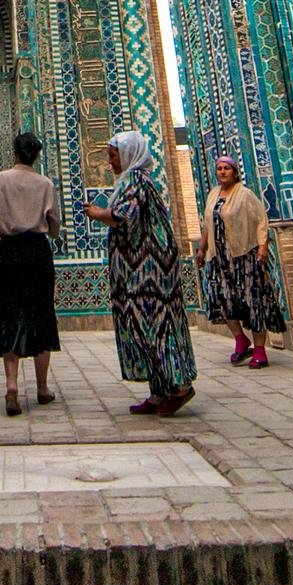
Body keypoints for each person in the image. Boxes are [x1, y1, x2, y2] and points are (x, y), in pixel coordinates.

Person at [85, 129, 196, 416]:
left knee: (154, 324)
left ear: (128, 154)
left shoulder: (135, 180)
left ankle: (179, 387)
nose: (109, 162)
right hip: (136, 269)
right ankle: (159, 391)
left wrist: (98, 214)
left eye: (113, 155)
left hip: (149, 271)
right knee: (141, 325)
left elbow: (124, 215)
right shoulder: (131, 180)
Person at [0, 131, 60, 416]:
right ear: (36, 155)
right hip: (37, 252)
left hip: (10, 252)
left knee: (10, 314)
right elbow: (54, 224)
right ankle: (42, 387)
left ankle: (11, 387)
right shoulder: (45, 183)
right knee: (41, 314)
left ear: (16, 153)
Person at [193, 155, 284, 367]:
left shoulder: (245, 195)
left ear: (235, 172)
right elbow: (207, 223)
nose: (222, 172)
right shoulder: (213, 195)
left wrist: (262, 247)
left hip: (245, 256)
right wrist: (202, 249)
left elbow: (261, 220)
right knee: (223, 300)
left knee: (253, 300)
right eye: (219, 168)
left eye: (226, 168)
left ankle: (260, 350)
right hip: (219, 258)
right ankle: (241, 339)